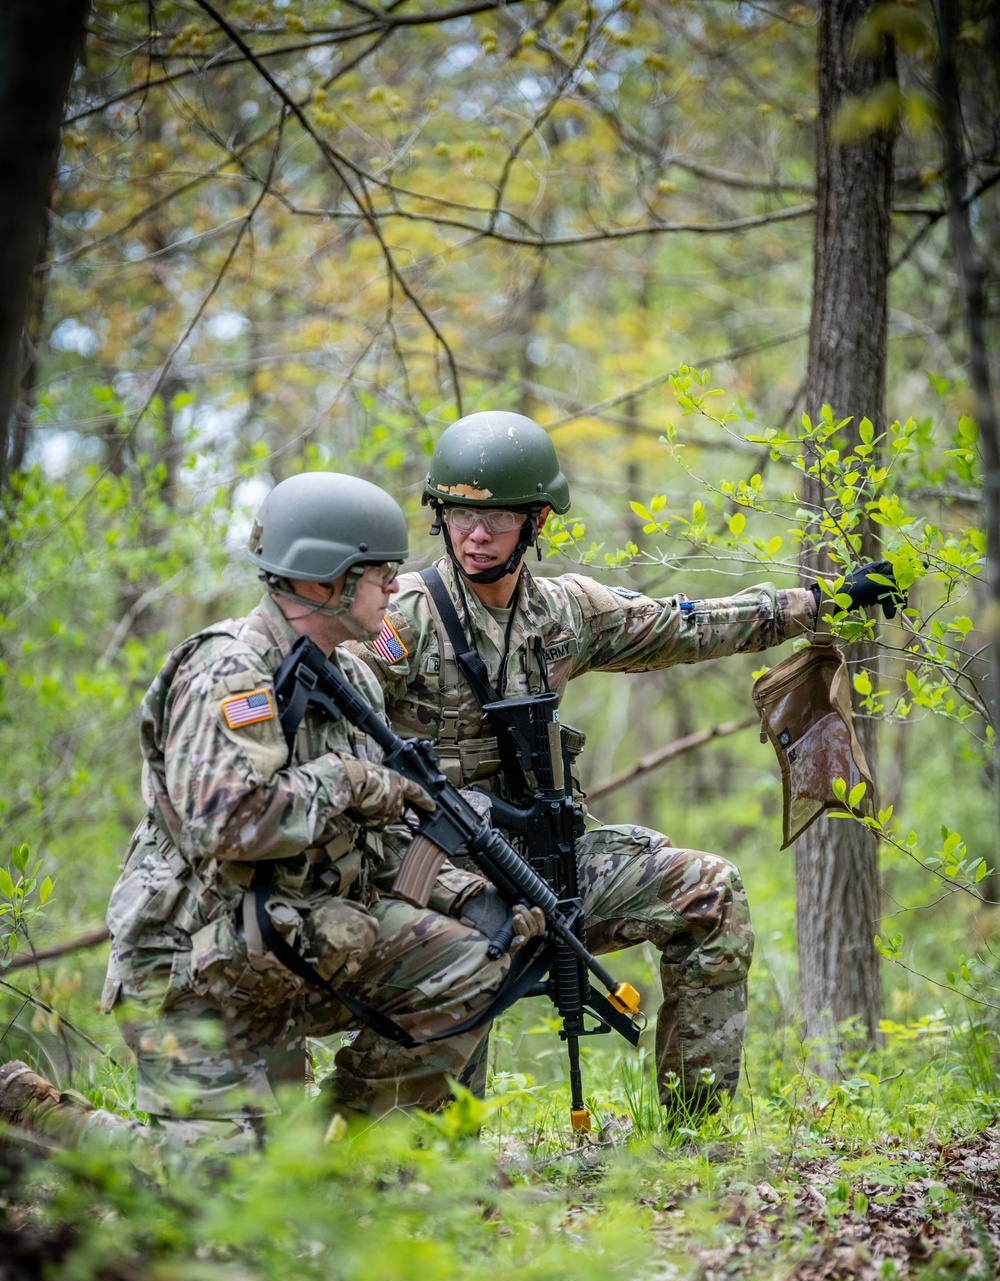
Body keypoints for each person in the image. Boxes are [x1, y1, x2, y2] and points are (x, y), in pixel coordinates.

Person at [346, 410, 902, 1110]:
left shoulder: (565, 612)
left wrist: (819, 603)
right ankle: (437, 1168)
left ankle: (694, 1136)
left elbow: (687, 625)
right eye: (459, 516)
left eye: (497, 519)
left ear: (537, 519)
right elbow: (340, 717)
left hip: (546, 862)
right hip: (440, 873)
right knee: (449, 1027)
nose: (476, 535)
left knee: (708, 891)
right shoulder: (405, 620)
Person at [62, 471, 544, 1150]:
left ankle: (343, 1151)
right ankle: (42, 1116)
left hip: (290, 946)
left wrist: (467, 894)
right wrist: (344, 780)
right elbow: (227, 824)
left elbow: (372, 846)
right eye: (382, 574)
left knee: (476, 959)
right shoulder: (229, 673)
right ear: (326, 583)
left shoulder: (346, 675)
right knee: (219, 1196)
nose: (398, 589)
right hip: (194, 970)